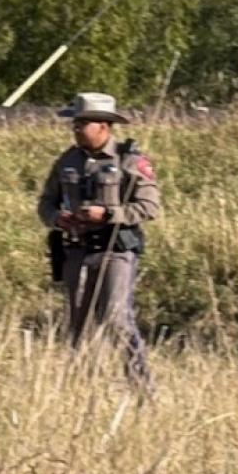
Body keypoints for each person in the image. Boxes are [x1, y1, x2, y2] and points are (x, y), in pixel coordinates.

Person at [37, 92, 160, 394]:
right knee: (78, 324)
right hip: (76, 250)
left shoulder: (130, 160)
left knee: (116, 317)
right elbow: (45, 202)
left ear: (104, 126)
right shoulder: (67, 160)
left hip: (115, 250)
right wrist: (57, 219)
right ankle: (81, 388)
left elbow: (150, 207)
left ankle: (142, 387)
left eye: (83, 123)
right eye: (75, 124)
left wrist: (108, 214)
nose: (76, 129)